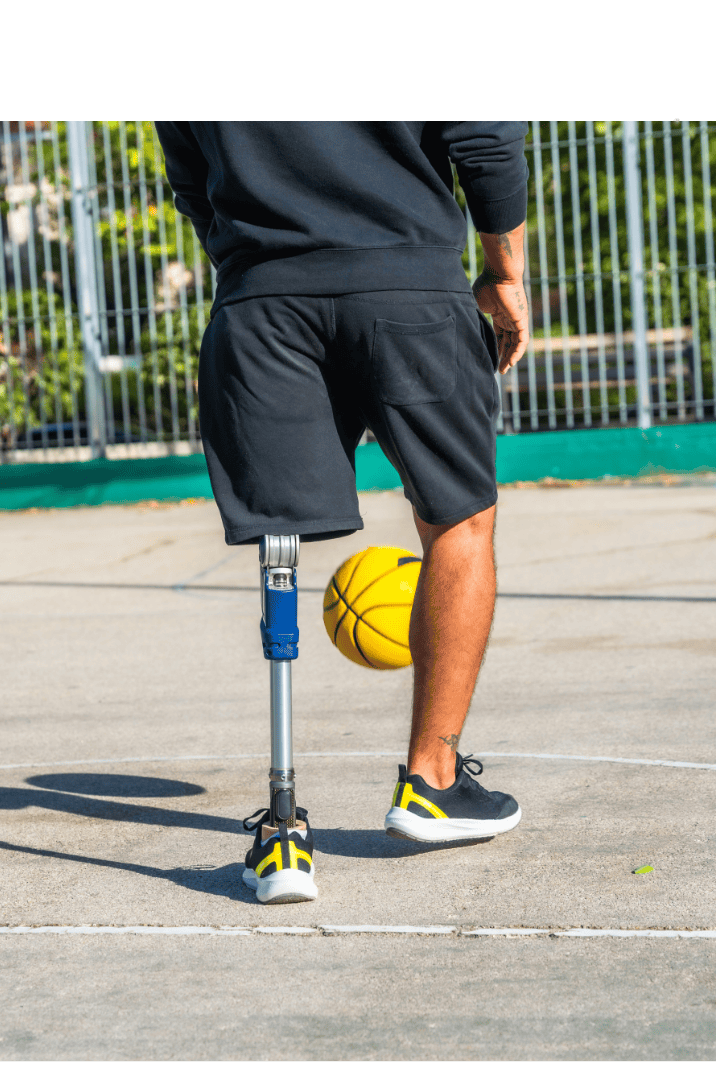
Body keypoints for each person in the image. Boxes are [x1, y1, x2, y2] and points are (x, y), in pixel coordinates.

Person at [155, 121, 531, 903]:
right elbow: (485, 137)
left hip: (264, 304)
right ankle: (433, 781)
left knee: (279, 542)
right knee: (458, 520)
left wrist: (261, 261)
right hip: (408, 289)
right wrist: (505, 272)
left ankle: (284, 828)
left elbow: (190, 174)